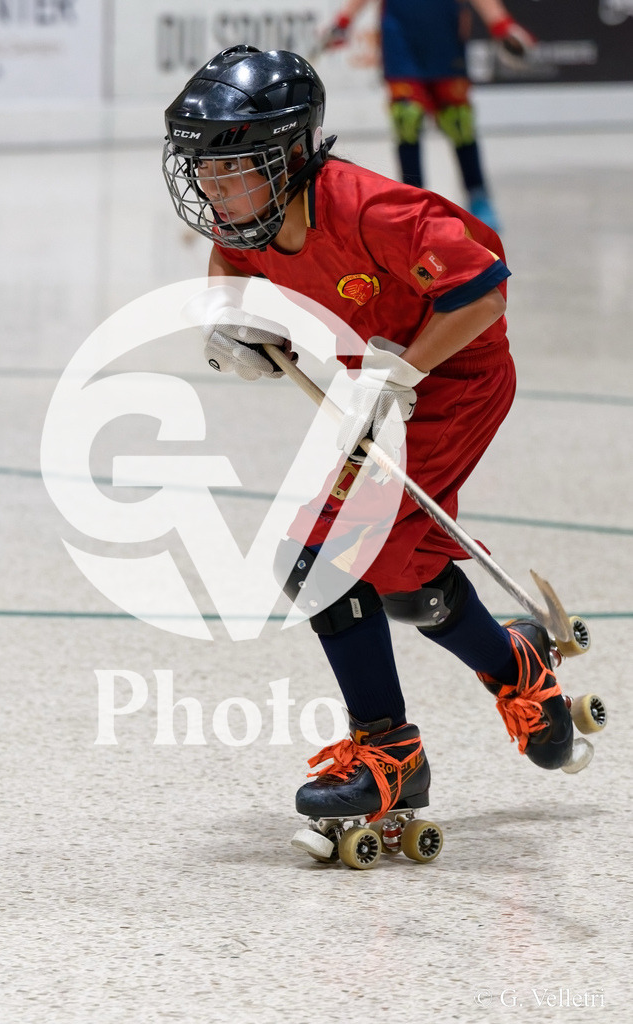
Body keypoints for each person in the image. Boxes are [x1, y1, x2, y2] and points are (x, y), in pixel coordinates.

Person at [161, 46, 576, 837]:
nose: (212, 188)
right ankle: (516, 667)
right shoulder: (249, 216)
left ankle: (388, 757)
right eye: (201, 168)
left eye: (230, 167)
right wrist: (231, 320)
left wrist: (405, 372)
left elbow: (484, 294)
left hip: (452, 385)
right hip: (377, 392)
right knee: (398, 579)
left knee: (319, 561)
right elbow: (232, 259)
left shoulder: (376, 213)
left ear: (288, 154)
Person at [320, 0, 536, 230]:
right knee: (407, 118)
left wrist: (500, 23)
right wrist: (343, 20)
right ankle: (413, 203)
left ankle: (478, 197)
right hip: (400, 35)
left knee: (459, 121)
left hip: (446, 35)